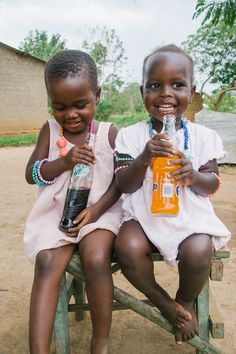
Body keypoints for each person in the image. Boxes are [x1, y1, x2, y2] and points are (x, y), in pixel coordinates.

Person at [114, 44, 231, 345]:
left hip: (188, 217)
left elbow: (212, 183)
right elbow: (124, 185)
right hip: (143, 215)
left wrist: (193, 175)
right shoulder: (131, 136)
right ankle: (163, 300)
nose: (166, 93)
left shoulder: (204, 137)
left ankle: (185, 300)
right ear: (143, 92)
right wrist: (143, 159)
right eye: (155, 85)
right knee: (127, 246)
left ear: (191, 93)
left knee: (199, 249)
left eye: (177, 85)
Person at [24, 49, 122, 354]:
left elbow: (122, 182)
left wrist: (96, 211)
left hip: (99, 213)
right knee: (47, 262)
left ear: (97, 95)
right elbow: (32, 174)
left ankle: (100, 342)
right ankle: (38, 350)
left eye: (81, 104)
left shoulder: (109, 134)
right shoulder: (50, 132)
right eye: (60, 106)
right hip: (56, 215)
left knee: (95, 259)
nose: (70, 114)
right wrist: (64, 162)